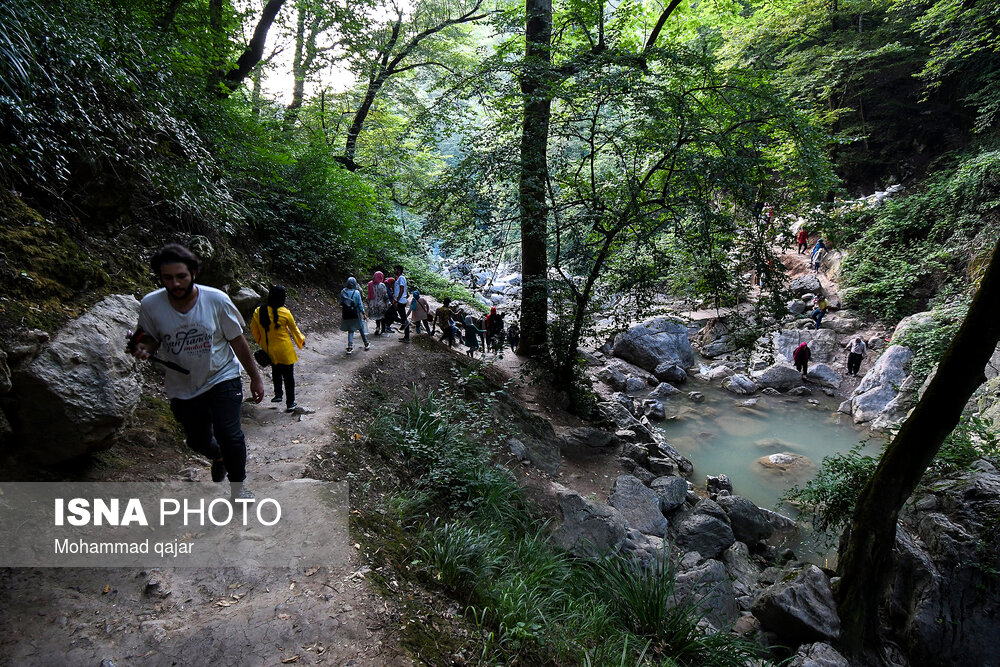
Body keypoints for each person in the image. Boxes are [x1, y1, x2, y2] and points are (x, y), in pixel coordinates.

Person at [130, 243, 263, 500]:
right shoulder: (151, 304)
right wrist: (141, 348)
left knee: (229, 433)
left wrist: (255, 378)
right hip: (183, 384)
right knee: (197, 440)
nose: (176, 283)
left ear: (193, 273)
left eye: (181, 276)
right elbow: (150, 339)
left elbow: (237, 340)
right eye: (168, 278)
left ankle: (239, 488)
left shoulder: (215, 300)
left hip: (222, 374)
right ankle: (218, 455)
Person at [251, 285, 305, 413]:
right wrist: (301, 341)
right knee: (288, 377)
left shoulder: (259, 311)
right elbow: (294, 330)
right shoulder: (285, 313)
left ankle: (278, 394)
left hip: (270, 350)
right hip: (285, 350)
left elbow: (253, 329)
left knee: (276, 370)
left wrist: (262, 342)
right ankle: (290, 402)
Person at [340, 277, 370, 354]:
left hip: (346, 313)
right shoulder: (356, 293)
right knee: (361, 328)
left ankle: (350, 347)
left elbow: (341, 302)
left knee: (350, 330)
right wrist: (363, 313)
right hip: (356, 313)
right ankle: (366, 343)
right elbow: (360, 304)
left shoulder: (343, 292)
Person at [392, 264, 410, 341]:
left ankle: (406, 335)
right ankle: (406, 337)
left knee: (390, 314)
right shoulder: (398, 278)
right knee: (404, 318)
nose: (394, 271)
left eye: (395, 269)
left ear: (399, 270)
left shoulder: (401, 278)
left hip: (400, 301)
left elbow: (402, 289)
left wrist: (397, 300)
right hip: (400, 300)